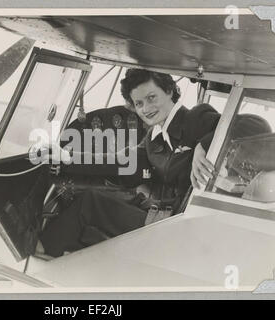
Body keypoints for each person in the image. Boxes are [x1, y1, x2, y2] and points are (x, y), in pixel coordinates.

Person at [37, 69, 221, 257]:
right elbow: (121, 162)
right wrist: (66, 157)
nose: (146, 109)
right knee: (92, 195)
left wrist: (203, 145)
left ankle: (38, 257)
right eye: (138, 103)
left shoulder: (196, 117)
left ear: (169, 91)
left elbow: (244, 125)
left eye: (151, 98)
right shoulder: (152, 139)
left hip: (179, 227)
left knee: (89, 203)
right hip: (163, 215)